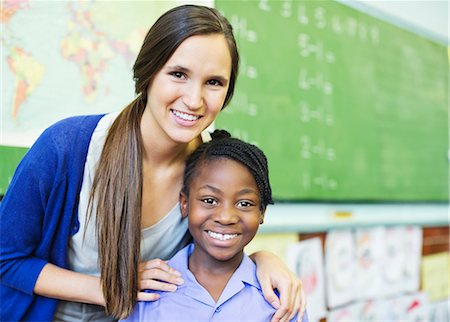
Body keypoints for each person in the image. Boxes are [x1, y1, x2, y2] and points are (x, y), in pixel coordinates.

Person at [0, 4, 305, 322]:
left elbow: (218, 245)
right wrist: (112, 288)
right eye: (178, 74)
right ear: (149, 72)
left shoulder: (211, 169)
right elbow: (5, 258)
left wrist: (263, 259)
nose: (194, 99)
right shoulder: (67, 148)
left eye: (214, 82)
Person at [121, 130, 309, 322]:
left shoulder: (281, 298)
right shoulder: (147, 291)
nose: (226, 217)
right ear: (184, 203)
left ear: (262, 212)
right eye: (210, 200)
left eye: (244, 203)